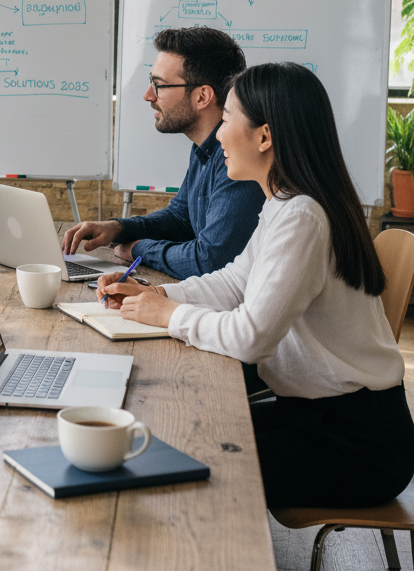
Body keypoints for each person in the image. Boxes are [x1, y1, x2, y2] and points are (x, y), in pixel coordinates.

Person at [96, 62, 414, 509]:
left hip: (358, 444)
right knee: (177, 440)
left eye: (227, 119)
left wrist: (170, 315)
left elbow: (252, 339)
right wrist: (160, 295)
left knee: (188, 469)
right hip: (317, 414)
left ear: (264, 136)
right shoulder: (285, 203)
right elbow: (234, 281)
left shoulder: (303, 216)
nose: (220, 134)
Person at [62, 27, 265, 277]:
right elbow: (181, 219)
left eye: (159, 85)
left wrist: (140, 249)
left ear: (202, 96)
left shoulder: (239, 161)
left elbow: (210, 260)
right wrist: (119, 228)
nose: (148, 95)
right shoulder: (203, 150)